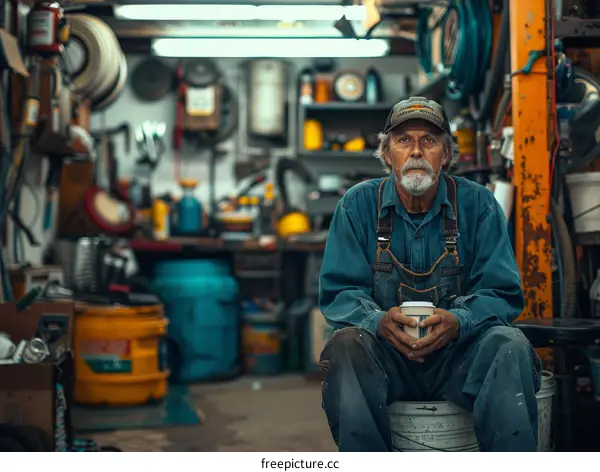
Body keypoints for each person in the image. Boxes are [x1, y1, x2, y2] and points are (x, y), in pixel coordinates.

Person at [318, 97, 542, 452]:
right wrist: (377, 321)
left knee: (510, 345)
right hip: (388, 361)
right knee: (346, 346)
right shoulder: (357, 205)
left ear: (446, 155)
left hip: (460, 359)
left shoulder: (479, 205)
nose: (417, 152)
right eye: (404, 140)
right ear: (387, 153)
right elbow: (339, 291)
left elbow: (502, 292)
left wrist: (461, 320)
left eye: (430, 140)